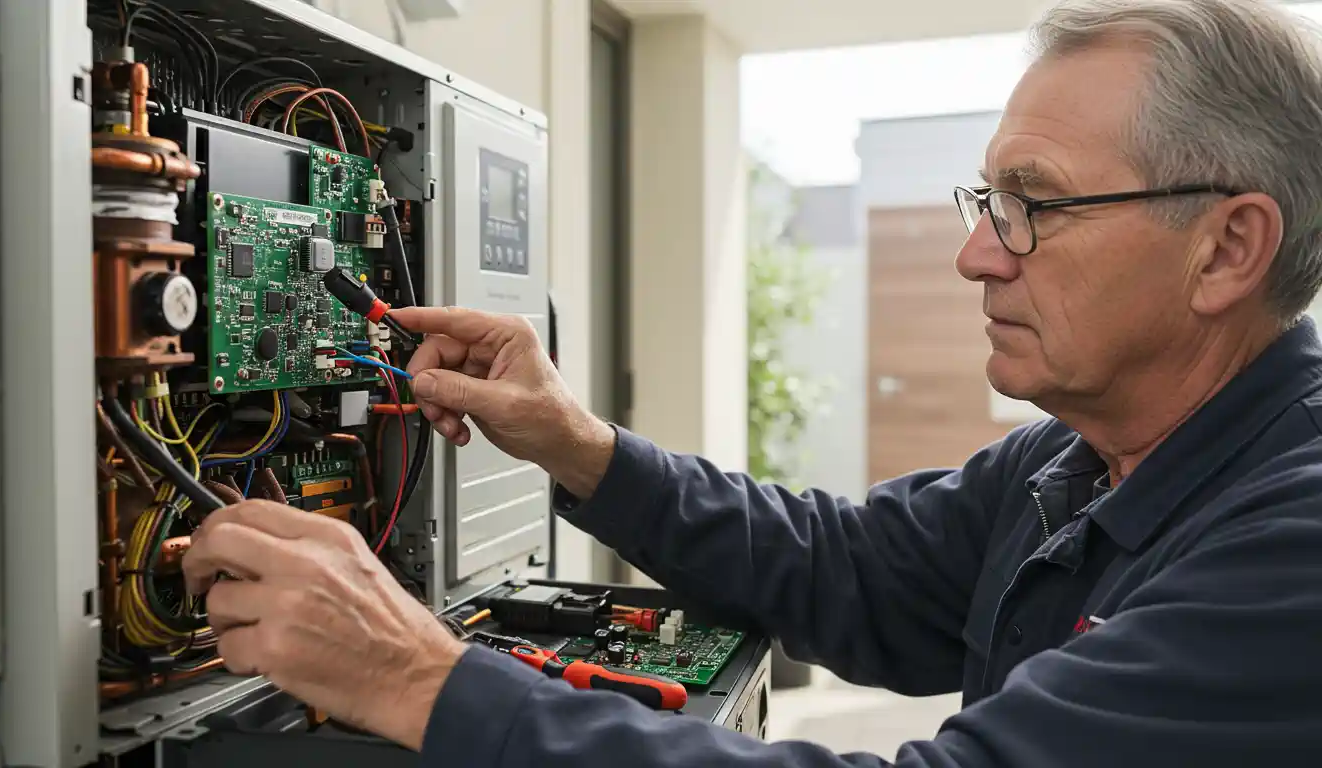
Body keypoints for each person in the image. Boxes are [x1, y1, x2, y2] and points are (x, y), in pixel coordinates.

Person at [181, 0, 1322, 764]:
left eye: (1037, 203)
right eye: (989, 202)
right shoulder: (1074, 464)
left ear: (1227, 249)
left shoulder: (1292, 546)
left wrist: (417, 679)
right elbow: (845, 568)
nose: (978, 254)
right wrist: (576, 443)